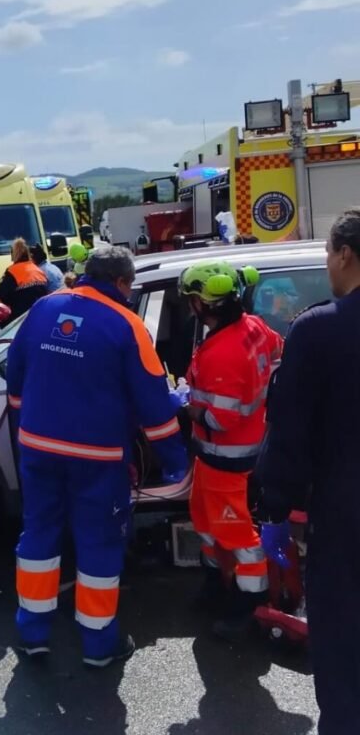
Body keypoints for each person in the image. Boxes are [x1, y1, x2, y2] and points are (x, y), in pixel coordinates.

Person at [6, 245, 186, 667]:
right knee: (99, 544)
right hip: (97, 459)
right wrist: (176, 459)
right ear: (123, 282)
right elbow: (155, 406)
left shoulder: (43, 310)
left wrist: (26, 430)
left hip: (38, 450)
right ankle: (99, 644)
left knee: (38, 537)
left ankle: (32, 635)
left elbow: (15, 378)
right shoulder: (128, 324)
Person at [256, 208, 360, 733]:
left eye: (327, 255)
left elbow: (289, 431)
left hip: (344, 513)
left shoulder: (318, 329)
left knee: (342, 636)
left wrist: (275, 507)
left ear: (344, 254)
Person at [178, 260, 282, 639]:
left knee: (237, 535)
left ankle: (248, 606)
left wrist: (185, 407)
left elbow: (222, 419)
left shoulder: (222, 352)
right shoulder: (253, 328)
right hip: (217, 456)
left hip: (227, 457)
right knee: (205, 523)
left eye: (191, 298)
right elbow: (276, 356)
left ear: (203, 304)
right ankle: (214, 584)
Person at [0, 237, 49, 320]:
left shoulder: (12, 271)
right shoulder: (38, 269)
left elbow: (1, 294)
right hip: (41, 312)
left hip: (21, 316)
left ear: (13, 254)